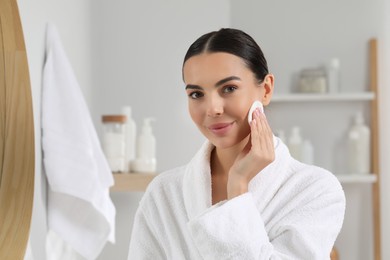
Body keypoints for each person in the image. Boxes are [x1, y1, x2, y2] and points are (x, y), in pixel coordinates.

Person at [128, 28, 345, 259]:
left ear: (267, 89)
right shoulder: (164, 192)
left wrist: (238, 188)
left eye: (229, 89)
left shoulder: (314, 190)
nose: (213, 108)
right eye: (196, 94)